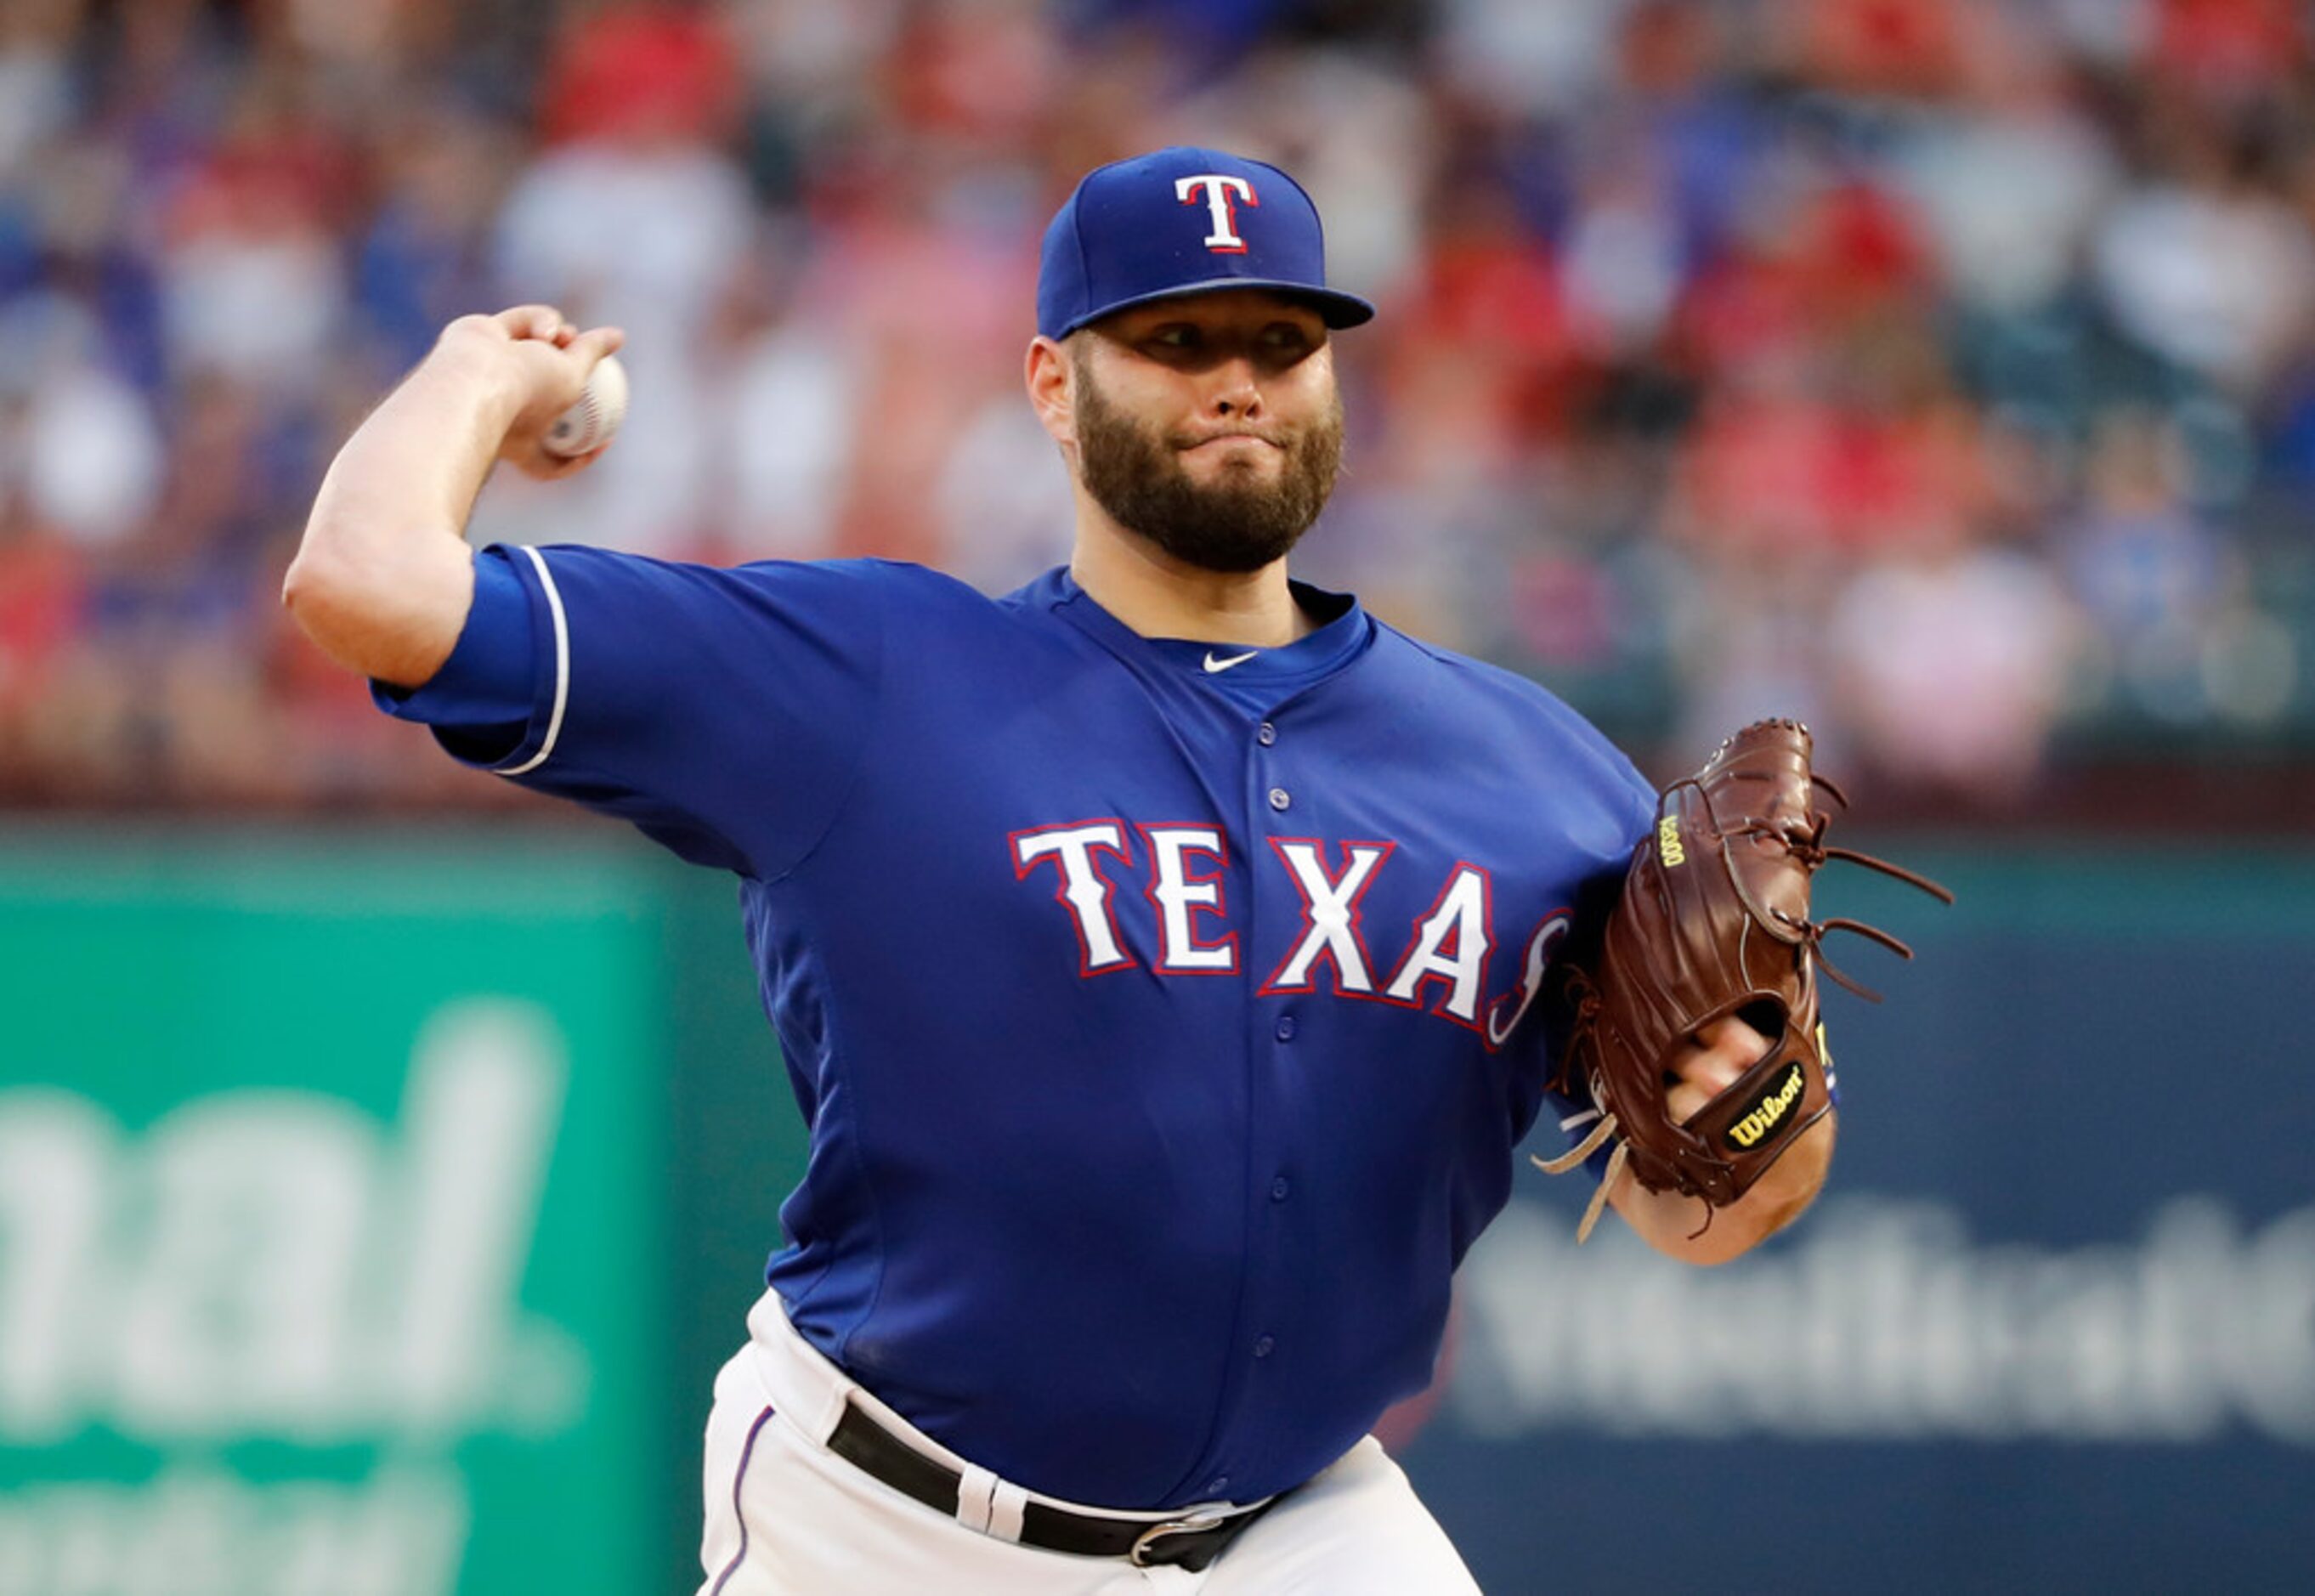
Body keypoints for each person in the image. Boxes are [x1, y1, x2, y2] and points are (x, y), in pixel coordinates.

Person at [285, 147, 1831, 1594]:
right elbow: (368, 585)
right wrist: (481, 370)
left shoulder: (1537, 773)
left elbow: (1700, 1213)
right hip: (888, 1519)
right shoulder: (868, 680)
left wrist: (1764, 1114)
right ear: (1052, 381)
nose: (1237, 378)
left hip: (1297, 1528)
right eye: (1173, 340)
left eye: (1282, 340)